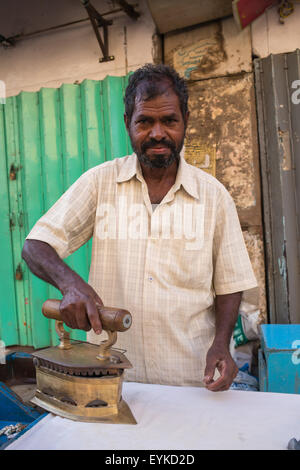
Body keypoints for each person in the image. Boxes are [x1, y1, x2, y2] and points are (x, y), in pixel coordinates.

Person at [22, 63, 257, 392]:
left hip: (191, 380)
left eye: (169, 121)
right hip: (111, 380)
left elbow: (230, 284)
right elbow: (35, 245)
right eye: (145, 121)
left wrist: (221, 344)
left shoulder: (214, 197)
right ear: (127, 124)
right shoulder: (101, 183)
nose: (158, 133)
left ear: (185, 121)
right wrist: (70, 284)